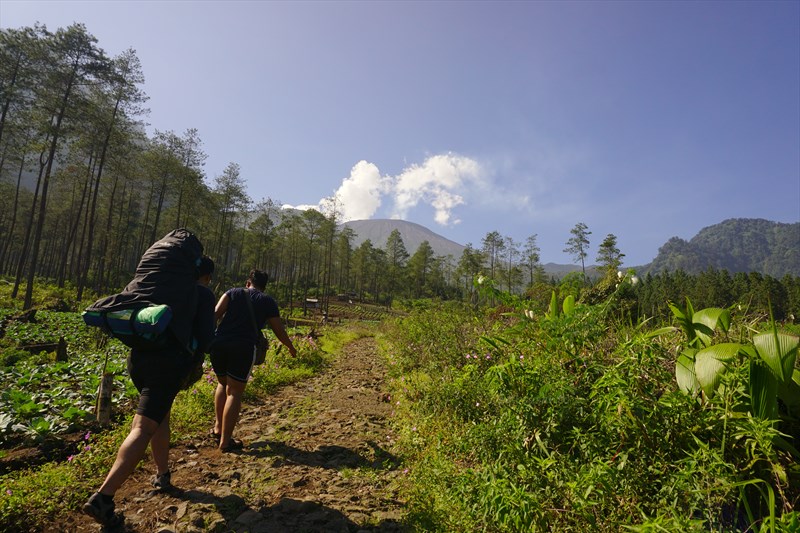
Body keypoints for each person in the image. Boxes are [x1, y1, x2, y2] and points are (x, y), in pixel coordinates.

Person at [82, 256, 216, 527]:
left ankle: (162, 473)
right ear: (205, 276)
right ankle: (104, 497)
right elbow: (207, 338)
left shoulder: (157, 286)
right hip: (166, 366)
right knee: (143, 426)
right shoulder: (200, 293)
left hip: (138, 361)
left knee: (160, 417)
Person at [210, 269, 296, 452]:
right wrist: (290, 346)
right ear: (264, 287)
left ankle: (218, 428)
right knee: (234, 392)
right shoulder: (267, 301)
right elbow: (278, 330)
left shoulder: (232, 292)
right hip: (243, 347)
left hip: (219, 344)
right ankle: (225, 442)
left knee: (221, 384)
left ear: (248, 282)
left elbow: (215, 314)